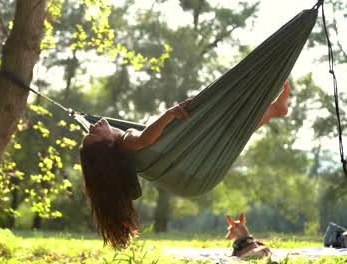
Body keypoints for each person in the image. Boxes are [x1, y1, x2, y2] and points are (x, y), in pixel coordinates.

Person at [79, 80, 292, 248]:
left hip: (192, 175)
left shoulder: (121, 149)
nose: (91, 127)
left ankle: (274, 109)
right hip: (192, 170)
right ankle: (273, 109)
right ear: (107, 144)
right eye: (93, 134)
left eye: (88, 130)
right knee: (230, 131)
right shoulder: (125, 141)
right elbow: (145, 139)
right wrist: (168, 114)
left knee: (230, 134)